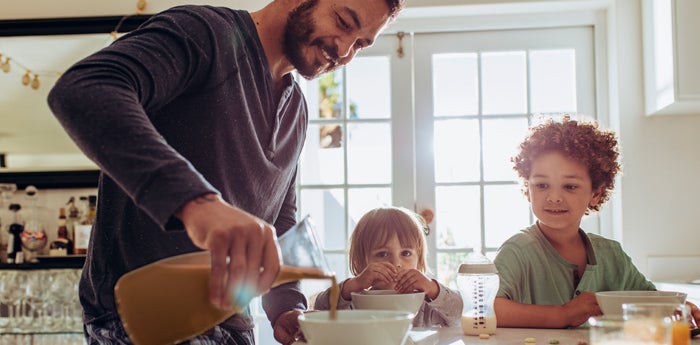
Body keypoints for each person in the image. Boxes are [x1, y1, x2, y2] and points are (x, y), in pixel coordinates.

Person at [46, 0, 404, 343]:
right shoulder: (205, 34)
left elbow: (280, 217)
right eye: (343, 22)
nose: (344, 52)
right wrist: (198, 204)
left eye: (361, 44)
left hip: (231, 322)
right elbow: (85, 88)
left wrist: (285, 308)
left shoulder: (296, 109)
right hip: (143, 320)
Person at [493, 116, 700, 328]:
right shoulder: (517, 251)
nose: (554, 197)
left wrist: (675, 308)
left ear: (596, 193)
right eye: (542, 185)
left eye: (570, 186)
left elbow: (647, 300)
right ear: (527, 189)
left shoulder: (611, 254)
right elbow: (487, 310)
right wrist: (562, 315)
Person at [314, 206, 463, 327]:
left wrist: (433, 288)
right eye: (382, 254)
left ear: (419, 262)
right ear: (360, 263)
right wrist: (354, 284)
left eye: (405, 253)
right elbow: (320, 308)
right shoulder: (354, 300)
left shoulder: (426, 302)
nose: (396, 263)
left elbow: (460, 313)